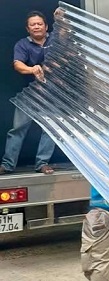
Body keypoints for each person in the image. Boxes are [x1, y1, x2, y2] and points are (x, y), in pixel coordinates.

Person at [0, 10, 57, 175]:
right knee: (17, 129)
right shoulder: (22, 44)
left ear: (46, 26)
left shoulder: (55, 40)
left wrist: (61, 19)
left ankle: (42, 163)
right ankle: (7, 165)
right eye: (33, 25)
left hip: (52, 95)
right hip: (29, 95)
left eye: (40, 24)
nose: (36, 27)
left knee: (50, 130)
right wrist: (32, 69)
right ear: (28, 28)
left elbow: (66, 34)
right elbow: (17, 64)